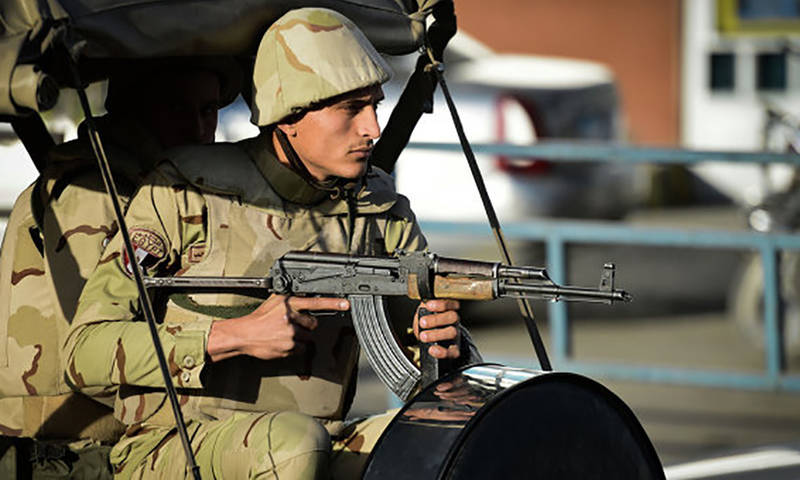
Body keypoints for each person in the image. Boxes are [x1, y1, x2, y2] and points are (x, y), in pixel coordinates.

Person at [65, 7, 480, 479]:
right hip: (173, 446)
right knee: (296, 446)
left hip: (319, 437)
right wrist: (233, 336)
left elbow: (432, 359)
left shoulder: (380, 210)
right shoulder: (185, 192)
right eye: (350, 109)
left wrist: (448, 348)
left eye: (375, 106)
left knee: (459, 437)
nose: (372, 129)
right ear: (290, 115)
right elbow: (83, 352)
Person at [0, 57, 241, 478]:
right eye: (177, 110)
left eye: (208, 111)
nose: (198, 129)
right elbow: (90, 349)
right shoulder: (94, 190)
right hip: (66, 452)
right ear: (136, 109)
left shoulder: (155, 188)